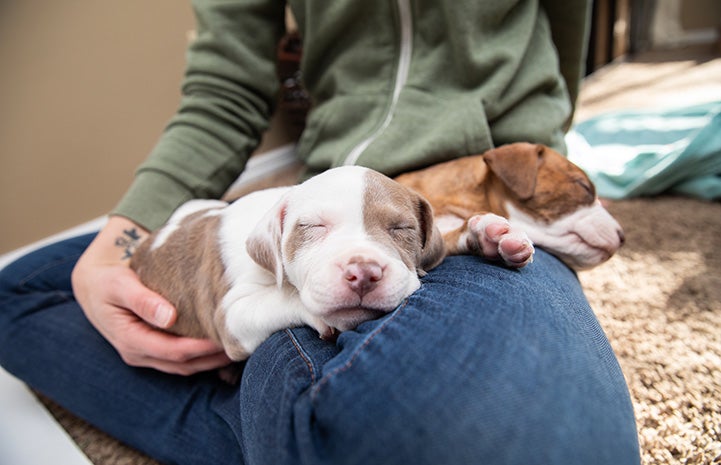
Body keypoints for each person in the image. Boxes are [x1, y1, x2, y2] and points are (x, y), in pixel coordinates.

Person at [0, 1, 641, 464]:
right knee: (14, 291)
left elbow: (557, 57)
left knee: (512, 435)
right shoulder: (278, 225)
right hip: (320, 192)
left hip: (480, 193)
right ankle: (282, 416)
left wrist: (524, 174)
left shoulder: (448, 226)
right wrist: (121, 239)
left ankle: (265, 420)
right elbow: (223, 88)